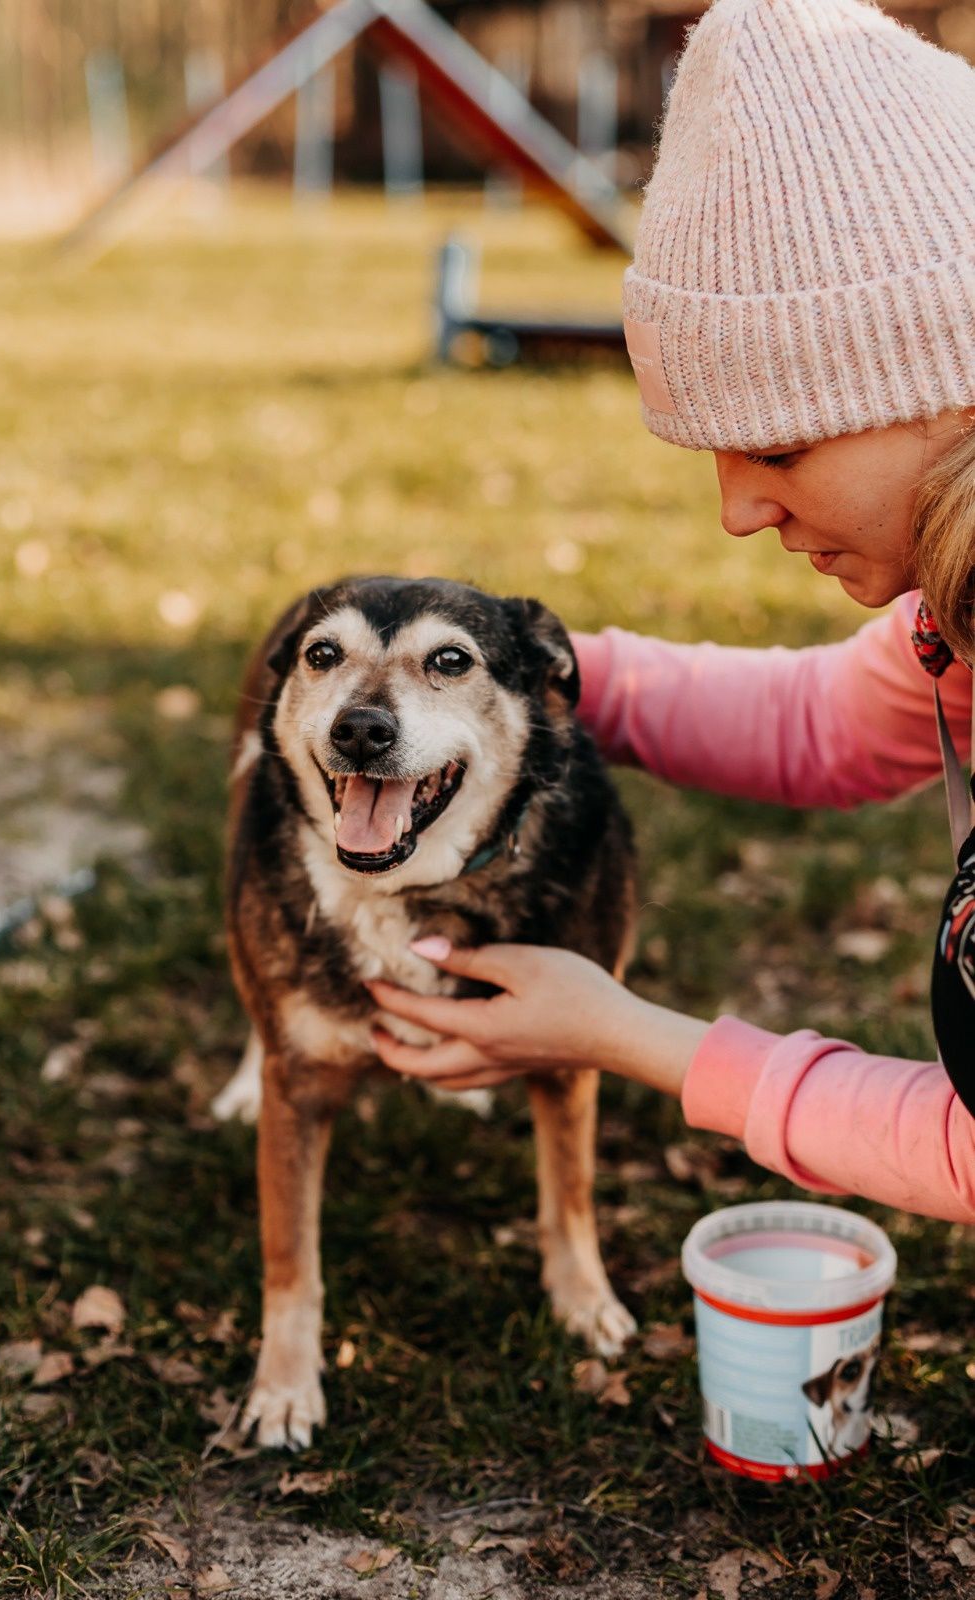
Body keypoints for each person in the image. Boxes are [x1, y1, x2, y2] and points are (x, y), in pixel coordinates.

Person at [367, 0, 975, 1225]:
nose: (737, 513)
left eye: (781, 448)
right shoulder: (953, 622)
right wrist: (544, 677)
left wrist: (634, 1037)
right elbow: (825, 726)